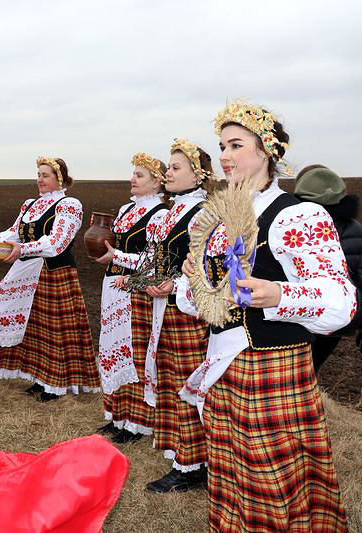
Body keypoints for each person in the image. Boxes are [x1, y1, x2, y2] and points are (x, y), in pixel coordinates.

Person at [179, 101, 352, 531]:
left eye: (236, 145)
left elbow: (341, 303)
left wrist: (279, 294)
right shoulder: (218, 221)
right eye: (221, 146)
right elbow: (199, 303)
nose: (223, 155)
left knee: (272, 481)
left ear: (267, 152)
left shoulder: (297, 215)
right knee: (231, 474)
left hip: (271, 368)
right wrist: (192, 282)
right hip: (224, 366)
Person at [104, 138, 213, 491]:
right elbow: (155, 261)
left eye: (175, 167)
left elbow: (209, 270)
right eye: (168, 166)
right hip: (166, 309)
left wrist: (172, 284)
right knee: (167, 379)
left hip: (189, 314)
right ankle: (182, 454)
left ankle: (194, 465)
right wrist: (134, 278)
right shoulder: (176, 211)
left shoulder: (202, 213)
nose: (168, 172)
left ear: (197, 174)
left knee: (184, 384)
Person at [0, 157, 99, 402]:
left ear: (59, 179)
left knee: (53, 331)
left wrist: (23, 249)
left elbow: (57, 242)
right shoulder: (31, 204)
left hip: (54, 273)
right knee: (30, 328)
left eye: (45, 175)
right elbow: (16, 232)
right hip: (27, 272)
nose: (40, 179)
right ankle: (38, 377)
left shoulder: (69, 204)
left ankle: (55, 384)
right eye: (38, 174)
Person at [93, 153, 168, 443]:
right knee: (112, 346)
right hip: (112, 284)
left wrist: (117, 255)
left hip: (136, 288)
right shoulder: (126, 209)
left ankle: (136, 422)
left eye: (140, 176)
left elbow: (153, 260)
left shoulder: (159, 214)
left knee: (134, 352)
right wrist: (106, 252)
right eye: (133, 174)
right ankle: (117, 415)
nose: (132, 179)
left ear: (156, 183)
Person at [293, 164, 362, 373]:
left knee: (297, 375)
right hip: (340, 322)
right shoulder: (357, 231)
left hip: (302, 318)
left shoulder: (295, 230)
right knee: (310, 371)